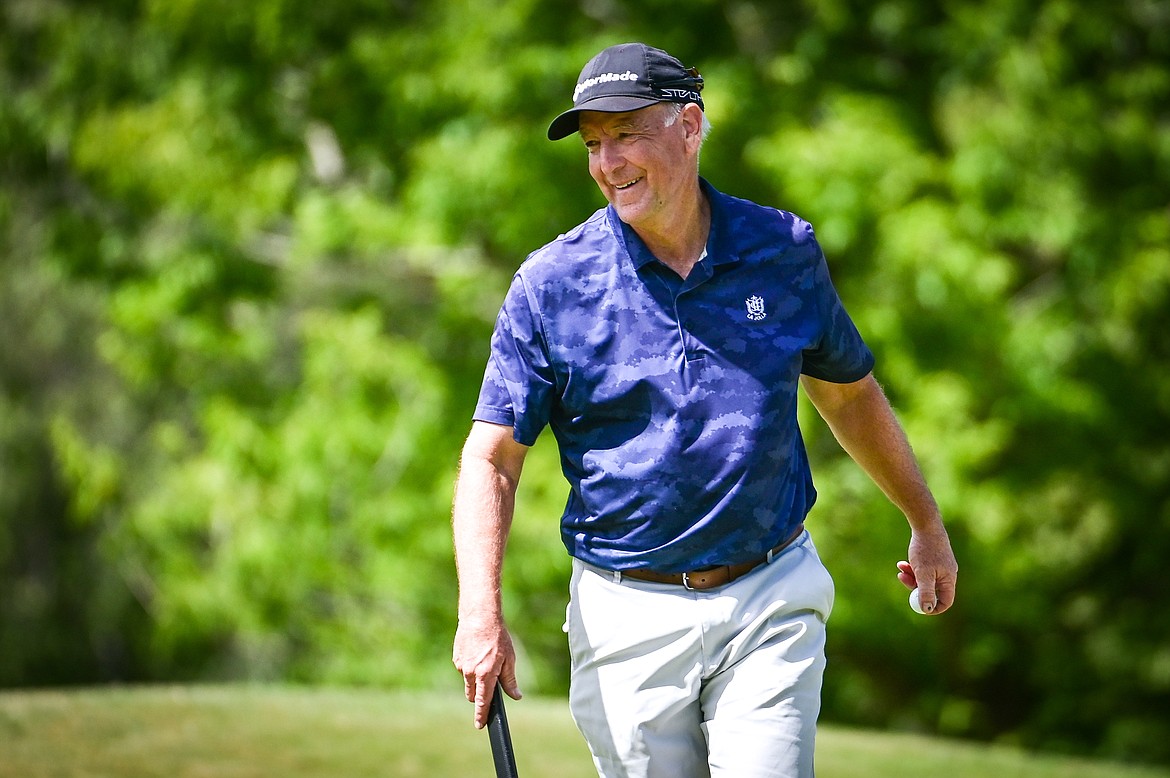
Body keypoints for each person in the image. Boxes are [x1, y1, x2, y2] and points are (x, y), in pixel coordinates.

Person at [452, 42, 958, 778]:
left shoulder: (780, 249)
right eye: (594, 143)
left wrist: (926, 522)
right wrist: (480, 615)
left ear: (690, 126)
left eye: (627, 133)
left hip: (769, 594)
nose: (608, 162)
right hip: (628, 615)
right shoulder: (551, 284)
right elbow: (492, 457)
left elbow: (848, 395)